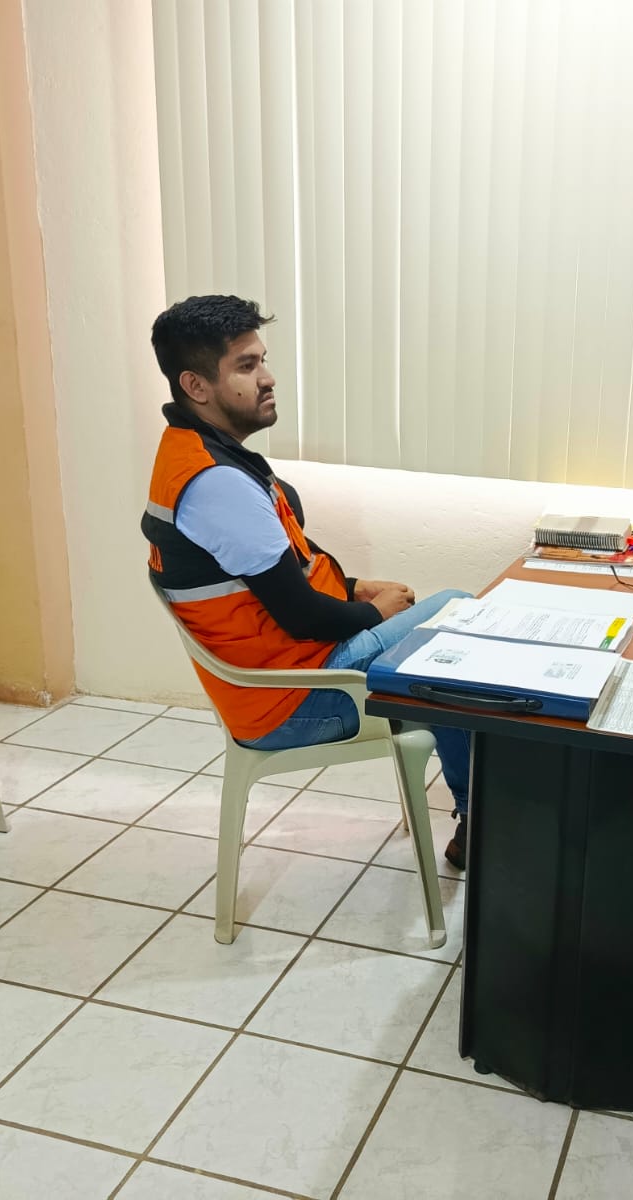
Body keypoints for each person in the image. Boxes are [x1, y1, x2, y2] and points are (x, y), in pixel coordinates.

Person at [142, 295, 472, 869]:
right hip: (293, 700)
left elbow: (280, 570)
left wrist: (357, 587)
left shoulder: (201, 452)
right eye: (246, 366)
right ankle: (481, 819)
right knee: (460, 622)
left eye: (263, 360)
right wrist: (378, 615)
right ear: (196, 386)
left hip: (289, 670)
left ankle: (479, 812)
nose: (268, 378)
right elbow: (300, 615)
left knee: (446, 650)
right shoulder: (217, 483)